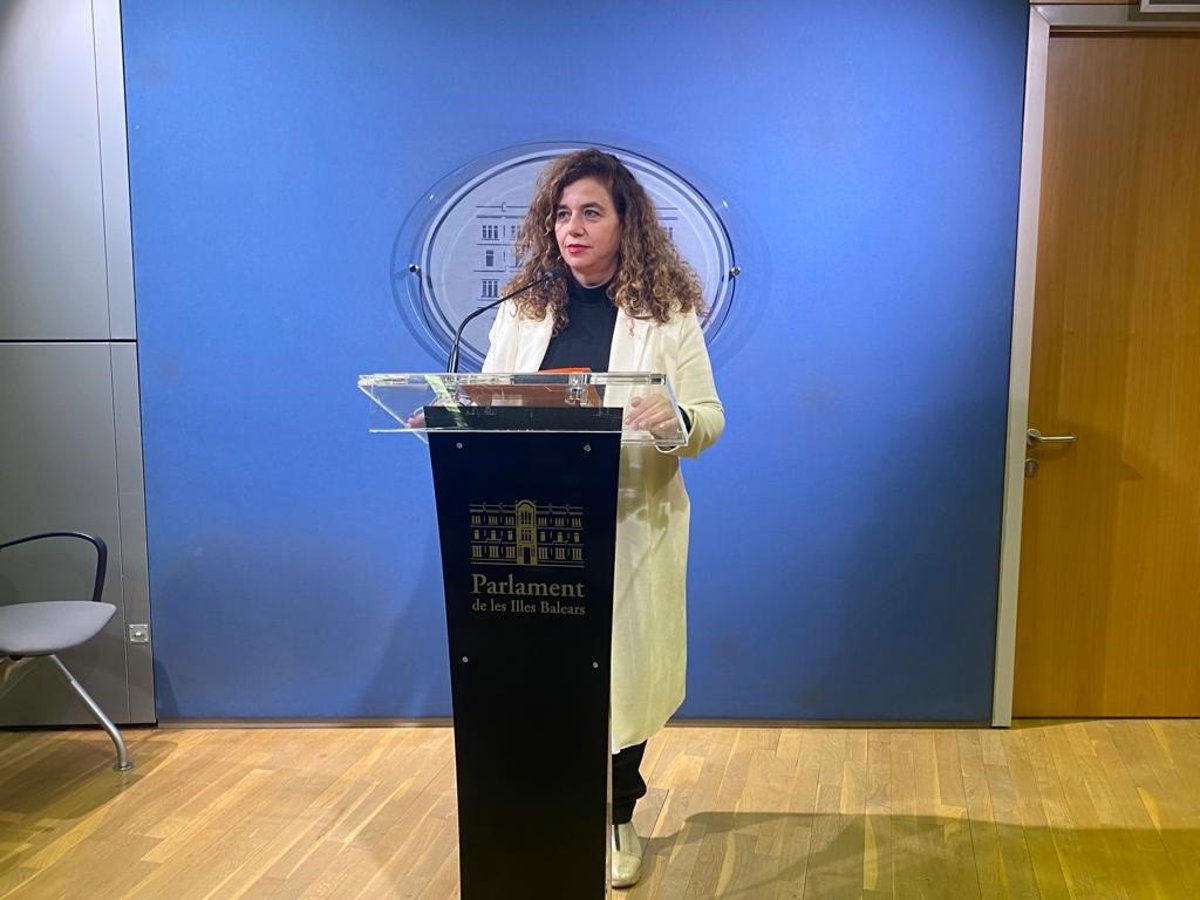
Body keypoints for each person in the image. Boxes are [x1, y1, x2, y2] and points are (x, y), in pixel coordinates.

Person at [482, 149, 724, 888]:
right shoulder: (524, 306)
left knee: (621, 678)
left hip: (627, 524)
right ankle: (552, 807)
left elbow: (709, 418)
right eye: (562, 214)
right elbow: (487, 397)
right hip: (536, 527)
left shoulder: (665, 311)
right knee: (544, 676)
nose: (573, 227)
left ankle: (618, 816)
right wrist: (465, 414)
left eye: (591, 212)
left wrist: (674, 419)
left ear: (626, 223)